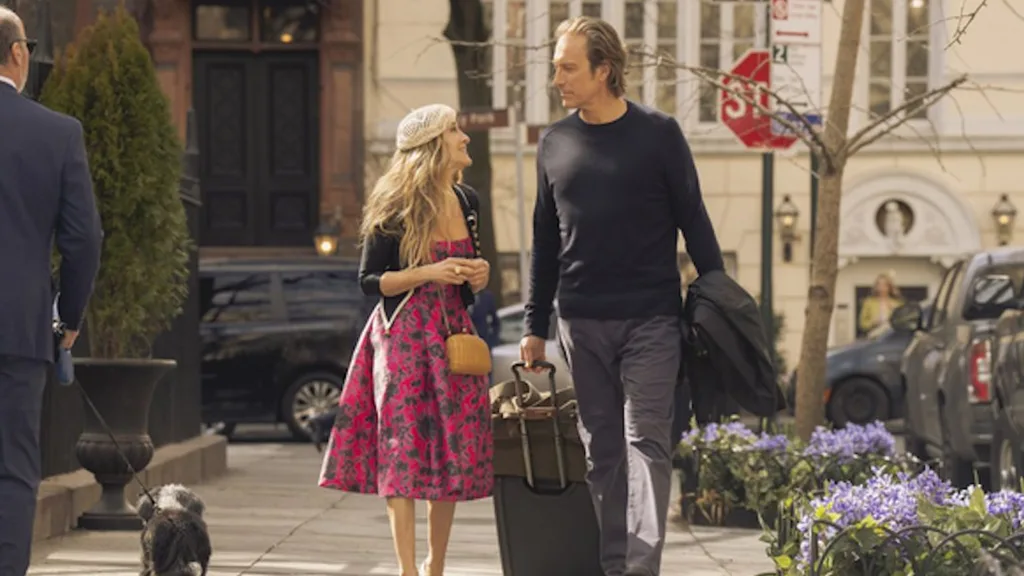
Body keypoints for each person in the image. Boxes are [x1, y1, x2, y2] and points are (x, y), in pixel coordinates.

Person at [519, 16, 724, 576]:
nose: (557, 78)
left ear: (604, 70)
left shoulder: (659, 135)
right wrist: (534, 325)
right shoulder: (554, 143)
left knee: (645, 443)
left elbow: (694, 220)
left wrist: (719, 302)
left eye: (568, 68)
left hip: (650, 320)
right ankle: (616, 566)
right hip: (580, 323)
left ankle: (639, 568)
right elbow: (544, 241)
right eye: (556, 67)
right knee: (602, 452)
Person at [318, 103, 493, 576]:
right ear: (432, 146)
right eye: (454, 130)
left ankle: (436, 564)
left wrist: (478, 274)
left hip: (454, 335)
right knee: (402, 447)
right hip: (404, 339)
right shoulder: (396, 204)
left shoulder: (468, 200)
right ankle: (408, 569)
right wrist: (428, 272)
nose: (464, 138)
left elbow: (469, 278)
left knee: (451, 447)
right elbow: (370, 281)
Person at [0, 7, 103, 575]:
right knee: (13, 471)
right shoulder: (57, 133)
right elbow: (83, 238)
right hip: (18, 328)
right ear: (18, 53)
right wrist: (69, 314)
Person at [858, 273, 904, 338]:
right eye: (879, 284)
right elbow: (862, 324)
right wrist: (872, 323)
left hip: (892, 337)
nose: (881, 287)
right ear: (875, 286)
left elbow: (903, 323)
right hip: (874, 337)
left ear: (889, 287)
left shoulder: (897, 303)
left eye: (884, 285)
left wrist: (894, 310)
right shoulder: (868, 302)